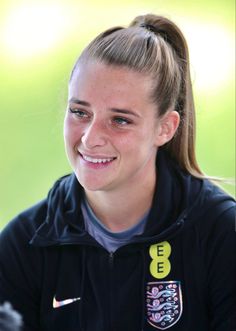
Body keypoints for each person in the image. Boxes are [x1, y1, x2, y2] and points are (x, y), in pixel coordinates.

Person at [0, 13, 235, 331]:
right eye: (80, 112)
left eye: (120, 119)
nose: (90, 138)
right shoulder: (23, 245)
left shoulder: (220, 234)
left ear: (165, 128)